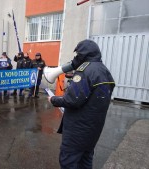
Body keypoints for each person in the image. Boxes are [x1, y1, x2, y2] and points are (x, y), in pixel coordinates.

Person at [48, 39, 115, 169]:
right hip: (93, 129)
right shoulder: (104, 71)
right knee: (85, 160)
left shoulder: (84, 71)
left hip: (78, 130)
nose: (76, 58)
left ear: (84, 55)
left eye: (78, 54)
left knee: (69, 162)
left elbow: (72, 100)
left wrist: (53, 99)